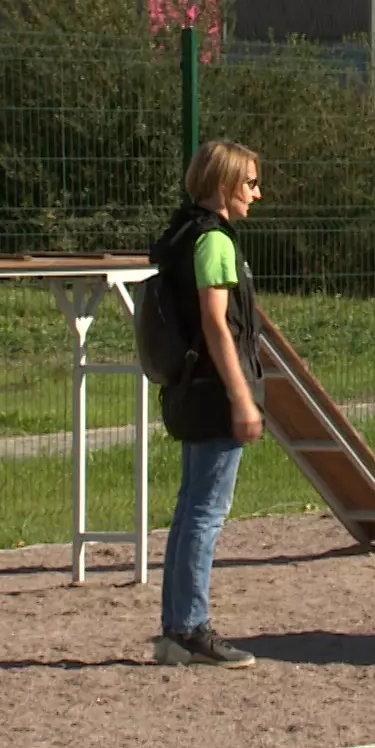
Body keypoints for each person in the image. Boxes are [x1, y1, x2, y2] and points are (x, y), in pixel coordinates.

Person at [149, 139, 265, 668]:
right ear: (224, 185)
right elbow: (217, 325)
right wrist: (243, 397)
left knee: (190, 510)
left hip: (186, 388)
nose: (257, 194)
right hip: (214, 391)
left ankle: (176, 628)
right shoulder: (215, 242)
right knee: (206, 514)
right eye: (250, 183)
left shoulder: (181, 234)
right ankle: (192, 627)